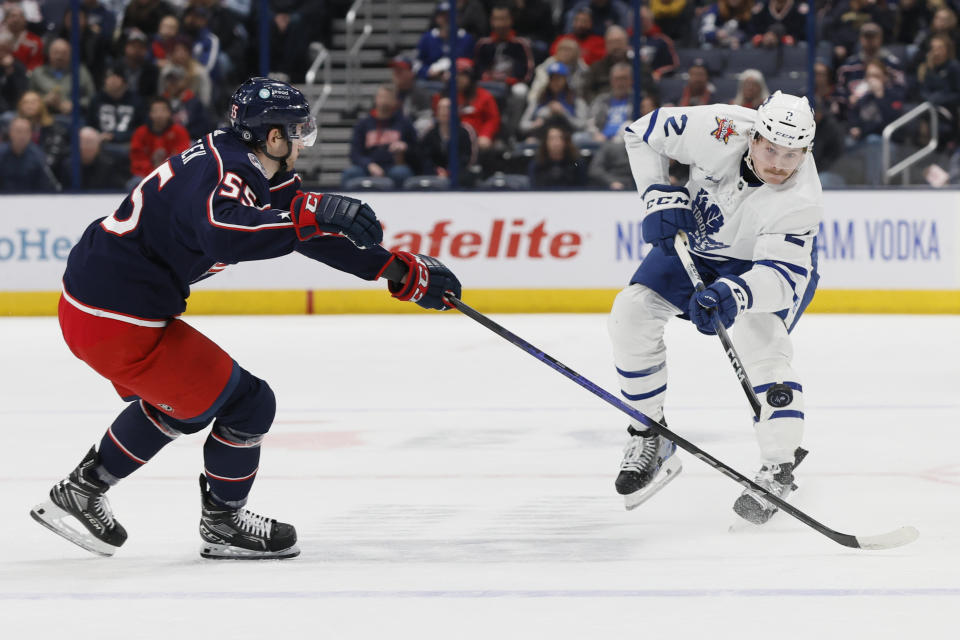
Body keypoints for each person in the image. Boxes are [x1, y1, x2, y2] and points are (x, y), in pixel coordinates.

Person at [30, 77, 462, 560]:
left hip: (105, 307)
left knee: (185, 404)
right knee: (248, 405)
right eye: (297, 130)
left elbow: (306, 231)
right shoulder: (230, 170)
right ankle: (223, 522)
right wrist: (312, 216)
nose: (302, 140)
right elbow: (224, 233)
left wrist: (394, 269)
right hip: (116, 317)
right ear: (272, 136)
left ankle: (82, 491)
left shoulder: (250, 161)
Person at [608, 91, 821, 525]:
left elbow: (784, 279)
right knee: (632, 311)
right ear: (754, 135)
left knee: (764, 353)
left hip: (758, 270)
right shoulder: (718, 126)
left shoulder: (801, 200)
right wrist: (654, 193)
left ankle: (778, 465)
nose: (779, 163)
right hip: (698, 249)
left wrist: (735, 295)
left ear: (806, 152)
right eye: (770, 148)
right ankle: (649, 432)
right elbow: (641, 133)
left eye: (792, 155)